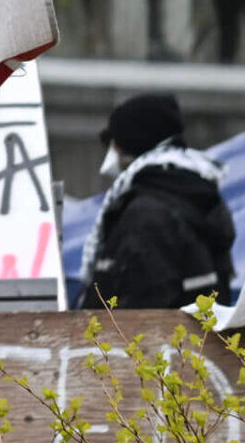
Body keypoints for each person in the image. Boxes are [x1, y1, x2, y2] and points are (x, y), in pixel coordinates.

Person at [80, 92, 235, 311]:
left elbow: (144, 304)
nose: (111, 150)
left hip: (146, 343)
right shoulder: (197, 194)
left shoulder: (147, 213)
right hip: (197, 341)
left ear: (132, 141)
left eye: (114, 140)